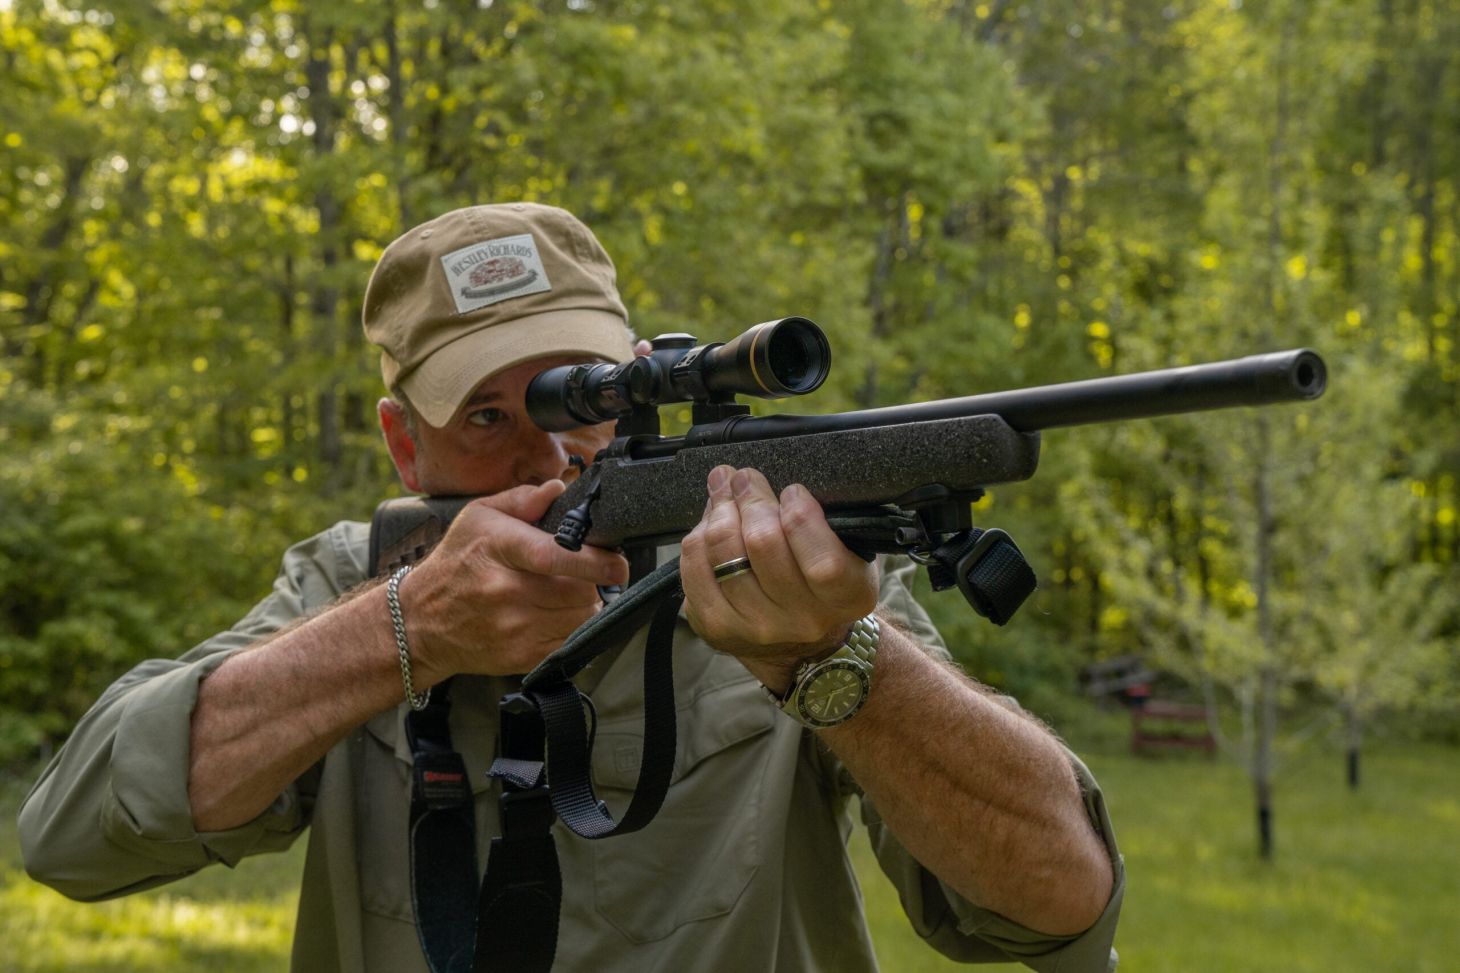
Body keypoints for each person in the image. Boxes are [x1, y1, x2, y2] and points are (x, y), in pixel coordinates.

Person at [19, 203, 1123, 972]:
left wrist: (834, 663)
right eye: (486, 418)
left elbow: (1060, 907)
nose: (546, 462)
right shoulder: (353, 583)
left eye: (572, 404)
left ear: (638, 385)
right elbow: (72, 839)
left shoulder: (786, 580)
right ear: (405, 449)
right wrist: (403, 634)